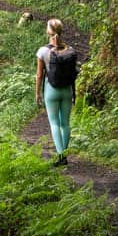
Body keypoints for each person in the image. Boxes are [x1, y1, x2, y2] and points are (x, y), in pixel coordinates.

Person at [35, 18, 77, 166]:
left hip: (51, 90)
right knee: (65, 123)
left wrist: (37, 93)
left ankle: (61, 156)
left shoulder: (43, 51)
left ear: (48, 31)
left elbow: (40, 75)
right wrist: (74, 92)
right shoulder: (70, 50)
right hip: (67, 90)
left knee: (54, 123)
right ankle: (64, 153)